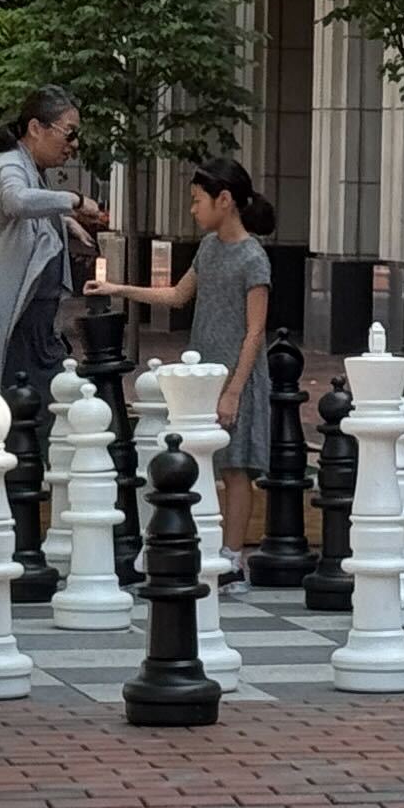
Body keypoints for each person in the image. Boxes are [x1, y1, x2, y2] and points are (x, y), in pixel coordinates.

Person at [95, 158, 278, 562]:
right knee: (203, 462)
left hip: (237, 377)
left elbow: (255, 331)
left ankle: (232, 558)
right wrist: (117, 288)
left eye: (198, 201)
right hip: (202, 377)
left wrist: (233, 391)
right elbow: (178, 295)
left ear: (225, 200)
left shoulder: (253, 258)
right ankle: (204, 546)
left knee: (235, 469)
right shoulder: (209, 248)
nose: (193, 210)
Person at [0, 87, 104, 384]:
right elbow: (17, 201)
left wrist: (65, 220)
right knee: (28, 410)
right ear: (36, 128)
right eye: (69, 133)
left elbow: (33, 209)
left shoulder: (30, 168)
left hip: (36, 327)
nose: (74, 145)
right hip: (17, 325)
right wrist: (73, 200)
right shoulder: (9, 165)